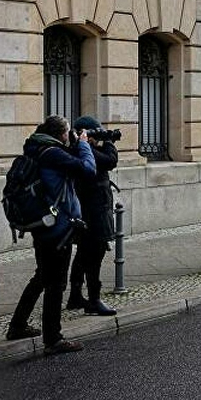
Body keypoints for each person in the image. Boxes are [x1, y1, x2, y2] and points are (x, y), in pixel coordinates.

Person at [7, 115, 94, 353]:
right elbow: (88, 169)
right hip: (58, 229)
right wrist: (84, 144)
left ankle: (17, 325)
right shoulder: (53, 154)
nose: (70, 136)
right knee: (56, 283)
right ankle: (53, 339)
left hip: (42, 225)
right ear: (59, 134)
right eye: (67, 132)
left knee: (42, 277)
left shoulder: (37, 149)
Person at [66, 116, 118, 316]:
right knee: (95, 254)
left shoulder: (83, 150)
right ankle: (94, 299)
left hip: (92, 208)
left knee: (83, 254)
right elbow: (111, 160)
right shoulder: (84, 151)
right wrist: (108, 142)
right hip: (93, 210)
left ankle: (75, 295)